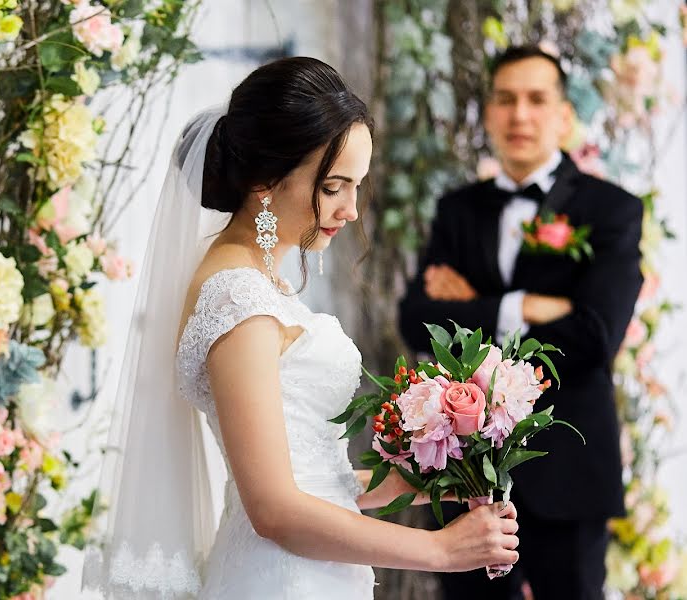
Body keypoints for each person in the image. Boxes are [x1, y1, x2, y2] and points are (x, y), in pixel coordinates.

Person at [83, 56, 520, 600]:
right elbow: (272, 509)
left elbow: (316, 483)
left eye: (356, 186)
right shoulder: (237, 297)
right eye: (335, 186)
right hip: (279, 579)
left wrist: (438, 478)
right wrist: (439, 551)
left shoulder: (259, 279)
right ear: (267, 179)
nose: (352, 210)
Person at [399, 46, 644, 600]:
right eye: (505, 99)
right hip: (464, 478)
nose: (520, 115)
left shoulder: (612, 210)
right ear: (487, 112)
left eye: (537, 99)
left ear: (563, 115)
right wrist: (528, 305)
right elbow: (417, 322)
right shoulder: (457, 210)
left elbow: (595, 336)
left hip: (570, 471)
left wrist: (476, 302)